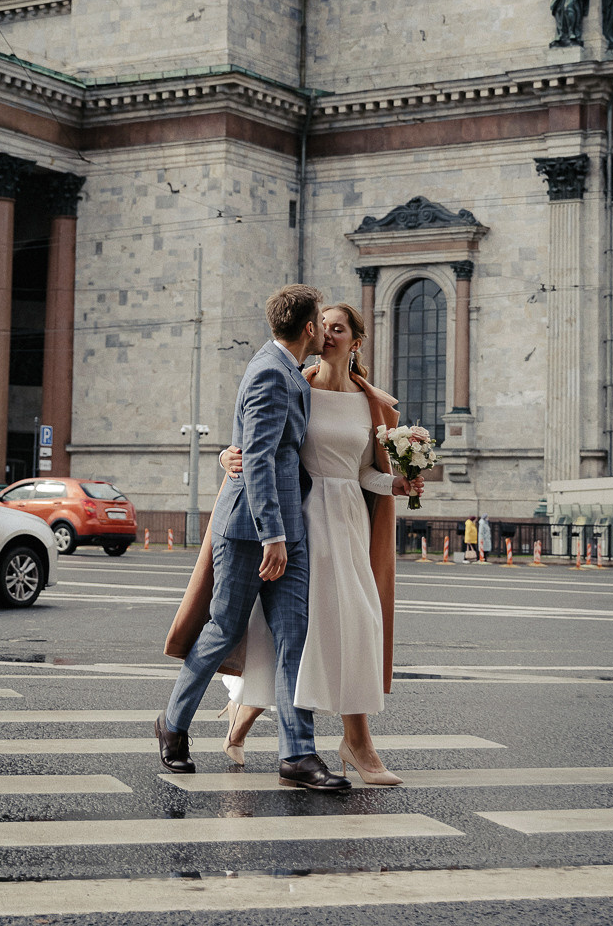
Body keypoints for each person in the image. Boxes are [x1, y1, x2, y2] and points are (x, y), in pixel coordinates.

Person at [197, 303, 423, 786]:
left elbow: (364, 472)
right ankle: (265, 719)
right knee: (293, 630)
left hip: (348, 521)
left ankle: (343, 738)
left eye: (337, 328)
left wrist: (397, 486)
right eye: (322, 326)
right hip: (297, 518)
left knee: (356, 623)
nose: (326, 334)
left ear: (355, 342)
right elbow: (256, 439)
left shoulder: (370, 403)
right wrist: (226, 454)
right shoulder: (295, 384)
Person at [155, 283, 351, 793]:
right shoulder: (270, 371)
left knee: (294, 639)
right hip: (251, 530)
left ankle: (298, 754)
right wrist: (272, 537)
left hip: (288, 527)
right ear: (309, 328)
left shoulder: (288, 371)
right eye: (320, 324)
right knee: (222, 628)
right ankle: (173, 724)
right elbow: (259, 458)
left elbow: (261, 448)